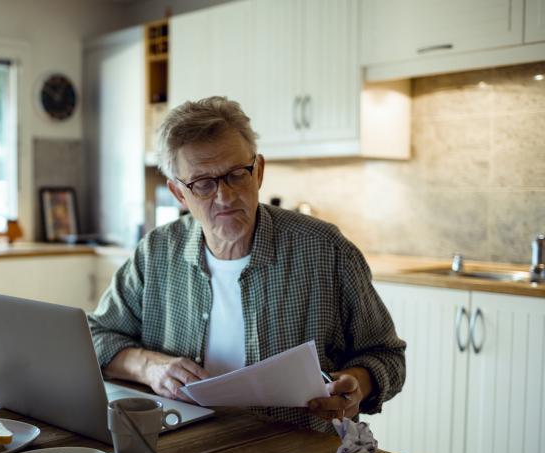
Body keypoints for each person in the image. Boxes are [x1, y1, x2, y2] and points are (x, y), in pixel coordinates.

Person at [88, 96, 405, 432]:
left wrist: (356, 384)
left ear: (259, 171)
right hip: (181, 447)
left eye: (236, 175)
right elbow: (95, 338)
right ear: (179, 194)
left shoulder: (326, 250)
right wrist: (148, 367)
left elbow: (387, 357)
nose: (224, 197)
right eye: (203, 184)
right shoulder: (156, 253)